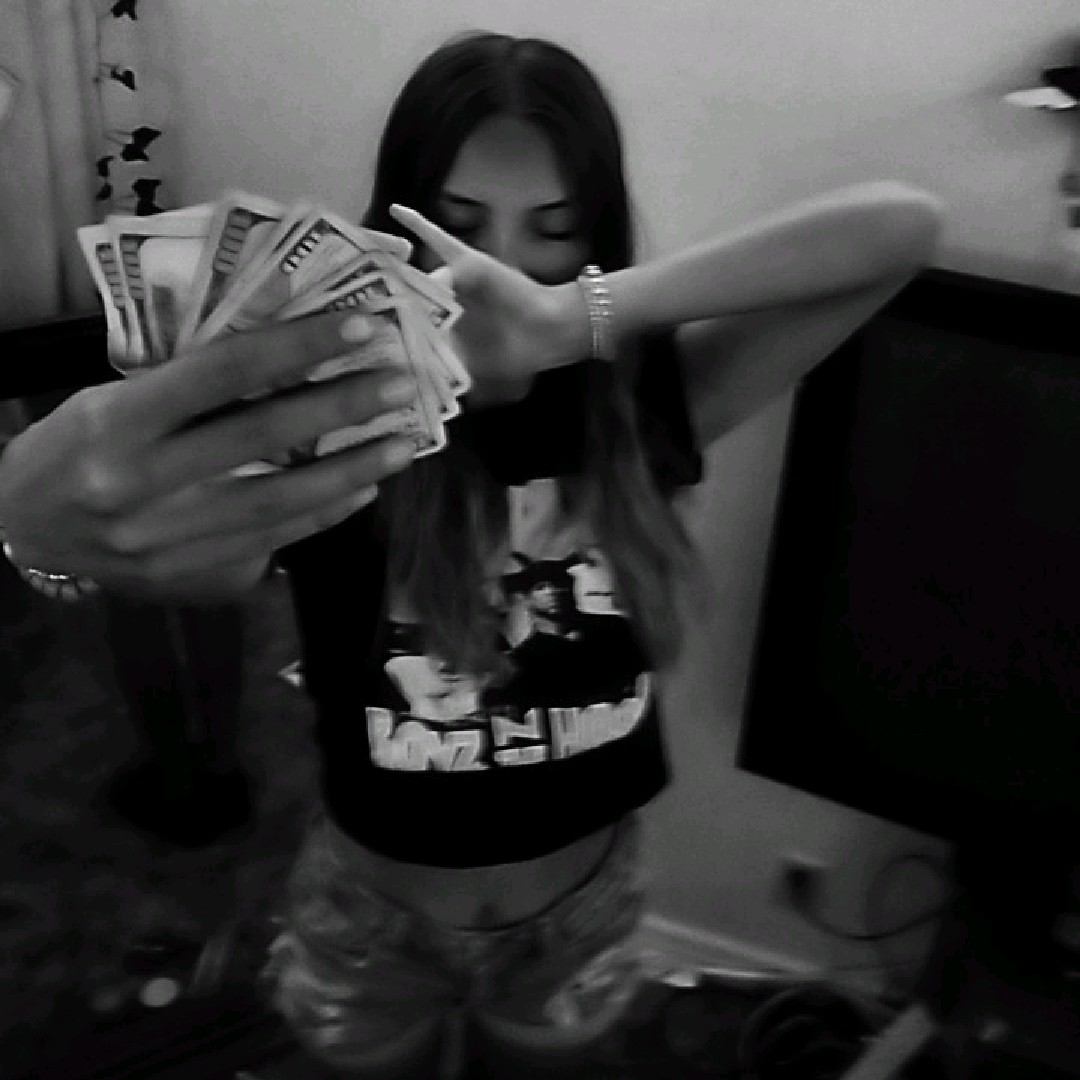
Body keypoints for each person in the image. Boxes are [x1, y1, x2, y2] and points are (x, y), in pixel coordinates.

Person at [0, 29, 943, 1080]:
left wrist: (574, 319)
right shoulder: (338, 417)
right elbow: (191, 566)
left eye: (553, 230)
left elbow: (901, 226)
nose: (498, 275)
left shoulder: (647, 404)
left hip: (581, 916)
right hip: (370, 915)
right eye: (457, 225)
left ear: (595, 239)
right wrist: (41, 536)